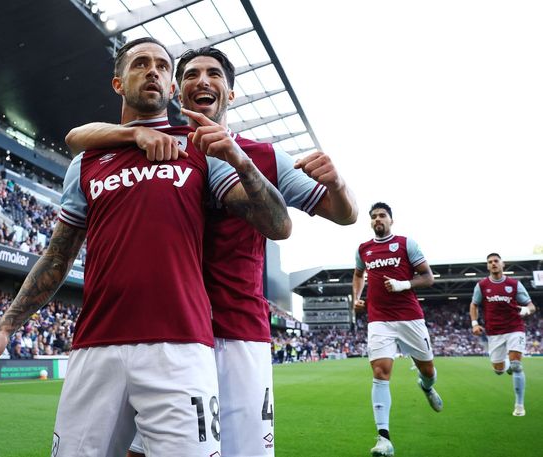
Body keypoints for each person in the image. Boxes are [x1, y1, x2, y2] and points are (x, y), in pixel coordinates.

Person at [0, 37, 290, 457]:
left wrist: (242, 162)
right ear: (118, 83)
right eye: (141, 63)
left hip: (181, 347)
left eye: (162, 66)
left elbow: (276, 224)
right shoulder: (86, 162)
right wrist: (5, 327)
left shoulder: (198, 149)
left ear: (172, 89)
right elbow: (57, 256)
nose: (153, 71)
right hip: (95, 347)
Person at [65, 46, 358, 457]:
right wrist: (133, 132)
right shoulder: (161, 148)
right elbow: (79, 138)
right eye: (191, 75)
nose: (203, 81)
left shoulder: (264, 156)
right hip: (167, 338)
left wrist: (339, 185)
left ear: (231, 93)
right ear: (176, 93)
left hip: (236, 334)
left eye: (215, 74)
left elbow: (343, 216)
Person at [352, 202, 442, 457]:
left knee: (428, 370)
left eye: (382, 215)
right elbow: (358, 274)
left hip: (410, 317)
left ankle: (426, 386)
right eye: (373, 217)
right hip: (379, 319)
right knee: (381, 371)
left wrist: (403, 284)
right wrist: (357, 297)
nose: (377, 219)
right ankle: (384, 439)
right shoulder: (363, 249)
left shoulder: (406, 244)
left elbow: (428, 277)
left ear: (391, 220)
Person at [469, 253, 536, 417]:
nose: (493, 264)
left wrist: (526, 310)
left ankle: (519, 405)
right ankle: (505, 365)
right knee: (499, 370)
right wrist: (475, 323)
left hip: (514, 327)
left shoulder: (514, 284)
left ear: (502, 264)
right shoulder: (482, 285)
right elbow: (474, 304)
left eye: (496, 261)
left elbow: (531, 305)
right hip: (494, 332)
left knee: (517, 366)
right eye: (490, 262)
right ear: (487, 266)